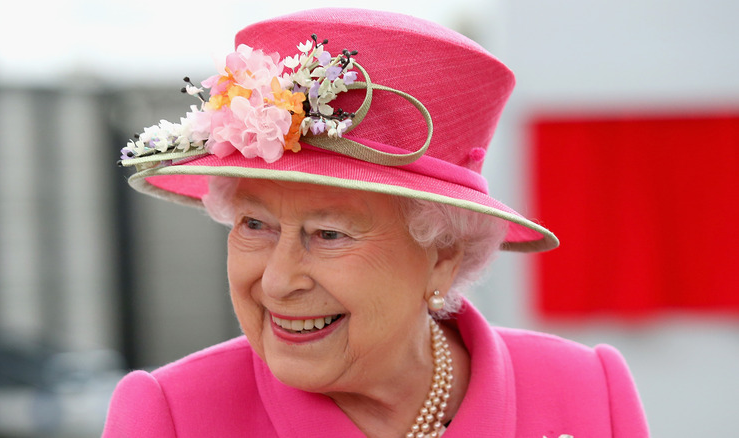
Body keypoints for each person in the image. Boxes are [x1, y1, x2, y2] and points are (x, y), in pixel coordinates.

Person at [104, 8, 648, 438]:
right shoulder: (170, 417)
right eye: (254, 224)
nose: (276, 281)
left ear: (442, 256)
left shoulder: (589, 392)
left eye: (328, 234)